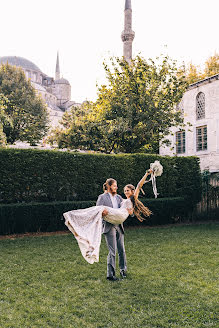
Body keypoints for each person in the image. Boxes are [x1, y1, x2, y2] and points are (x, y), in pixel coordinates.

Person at [63, 170, 152, 279]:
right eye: (115, 186)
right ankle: (111, 275)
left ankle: (123, 270)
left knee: (121, 250)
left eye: (126, 189)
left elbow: (128, 208)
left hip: (119, 225)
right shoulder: (102, 197)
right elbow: (98, 213)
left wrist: (131, 212)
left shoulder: (120, 198)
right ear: (109, 186)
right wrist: (102, 214)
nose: (118, 189)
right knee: (112, 250)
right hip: (109, 226)